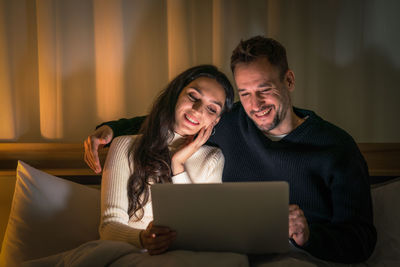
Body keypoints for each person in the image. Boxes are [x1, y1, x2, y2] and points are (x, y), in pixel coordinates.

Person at [85, 36, 376, 263]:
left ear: (289, 80)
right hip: (236, 258)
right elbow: (174, 120)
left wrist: (309, 235)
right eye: (245, 93)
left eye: (264, 89)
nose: (255, 105)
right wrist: (111, 130)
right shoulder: (232, 122)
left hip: (303, 258)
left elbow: (361, 241)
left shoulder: (336, 148)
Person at [98, 65, 234, 255]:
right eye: (193, 97)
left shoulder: (212, 158)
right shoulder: (124, 146)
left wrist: (178, 165)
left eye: (211, 109)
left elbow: (203, 231)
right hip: (133, 255)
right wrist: (142, 239)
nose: (197, 110)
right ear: (176, 94)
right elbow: (109, 226)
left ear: (216, 121)